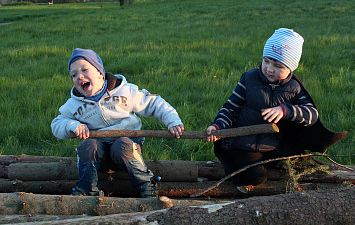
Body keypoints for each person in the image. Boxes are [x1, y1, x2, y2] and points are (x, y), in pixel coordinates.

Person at [204, 28, 347, 191]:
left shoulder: (294, 87)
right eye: (266, 61)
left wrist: (286, 110)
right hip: (242, 143)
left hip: (272, 143)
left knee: (300, 160)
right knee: (255, 177)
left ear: (291, 68)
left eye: (278, 65)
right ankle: (238, 176)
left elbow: (312, 115)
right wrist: (217, 127)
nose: (270, 69)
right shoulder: (249, 79)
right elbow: (230, 108)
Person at [51, 48, 184, 197]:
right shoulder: (74, 104)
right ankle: (88, 189)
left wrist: (172, 121)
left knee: (122, 146)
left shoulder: (125, 91)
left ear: (100, 73)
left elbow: (153, 102)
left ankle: (146, 184)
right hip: (99, 155)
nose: (79, 77)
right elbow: (57, 123)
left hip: (126, 148)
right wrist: (73, 126)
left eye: (84, 70)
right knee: (88, 146)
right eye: (74, 75)